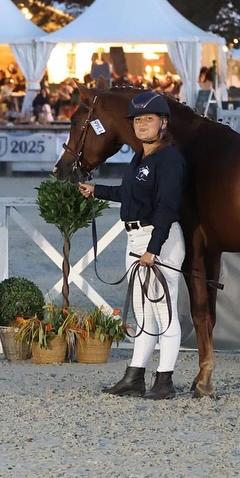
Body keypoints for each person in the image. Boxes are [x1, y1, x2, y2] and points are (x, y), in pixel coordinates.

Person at [77, 90, 186, 401]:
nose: (141, 125)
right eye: (137, 120)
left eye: (148, 119)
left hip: (159, 239)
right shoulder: (141, 156)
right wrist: (96, 190)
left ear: (163, 123)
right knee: (143, 313)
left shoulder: (170, 159)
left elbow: (166, 207)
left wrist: (153, 248)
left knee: (164, 312)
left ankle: (164, 380)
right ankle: (135, 375)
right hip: (135, 238)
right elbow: (131, 195)